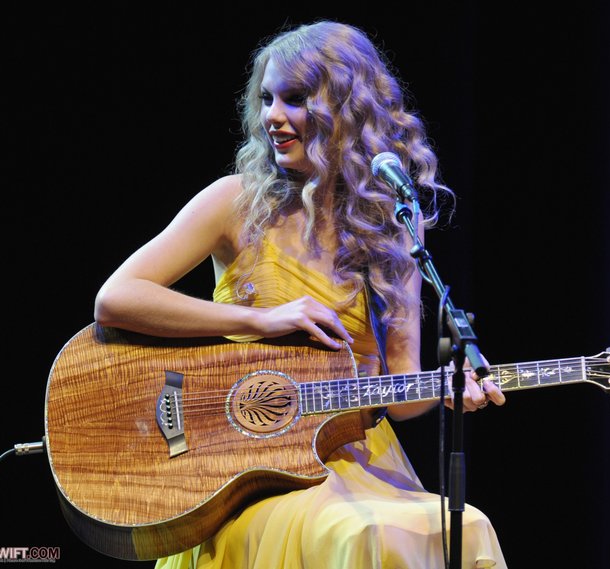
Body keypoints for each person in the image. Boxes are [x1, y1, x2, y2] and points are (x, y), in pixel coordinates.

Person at [94, 19, 508, 569]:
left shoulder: (390, 224)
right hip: (248, 467)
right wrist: (265, 320)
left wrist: (449, 389)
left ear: (348, 109)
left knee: (468, 527)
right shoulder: (234, 202)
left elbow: (403, 390)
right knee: (357, 534)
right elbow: (117, 297)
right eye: (266, 99)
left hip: (354, 460)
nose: (273, 118)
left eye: (293, 99)